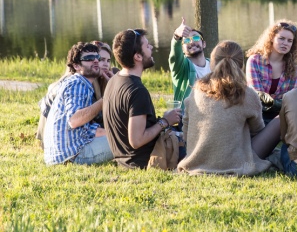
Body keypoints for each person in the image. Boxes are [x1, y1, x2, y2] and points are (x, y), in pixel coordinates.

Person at [178, 41, 278, 176]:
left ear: (212, 63)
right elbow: (257, 131)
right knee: (279, 120)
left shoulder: (196, 89)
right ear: (241, 65)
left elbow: (186, 128)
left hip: (196, 160)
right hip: (237, 163)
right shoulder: (247, 94)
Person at [103, 28, 181, 169]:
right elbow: (137, 140)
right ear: (138, 57)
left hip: (123, 162)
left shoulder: (113, 81)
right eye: (147, 46)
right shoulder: (137, 91)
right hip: (143, 161)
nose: (151, 47)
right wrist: (165, 121)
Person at [43, 42, 113, 165]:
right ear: (76, 66)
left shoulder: (81, 83)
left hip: (61, 156)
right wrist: (106, 99)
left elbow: (84, 130)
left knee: (121, 138)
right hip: (72, 156)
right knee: (126, 142)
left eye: (97, 57)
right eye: (89, 59)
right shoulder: (78, 83)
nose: (96, 61)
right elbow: (74, 120)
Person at [246, 21, 297, 124]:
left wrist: (275, 102)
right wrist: (279, 102)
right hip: (256, 115)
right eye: (281, 38)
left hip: (281, 116)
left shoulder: (294, 68)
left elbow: (292, 99)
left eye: (290, 41)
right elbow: (257, 95)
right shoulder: (255, 61)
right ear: (272, 38)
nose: (285, 43)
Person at [170, 17, 210, 102]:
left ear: (204, 44)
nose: (191, 42)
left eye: (195, 38)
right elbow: (175, 56)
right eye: (187, 40)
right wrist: (177, 36)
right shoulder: (180, 67)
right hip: (187, 114)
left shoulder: (214, 65)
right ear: (182, 49)